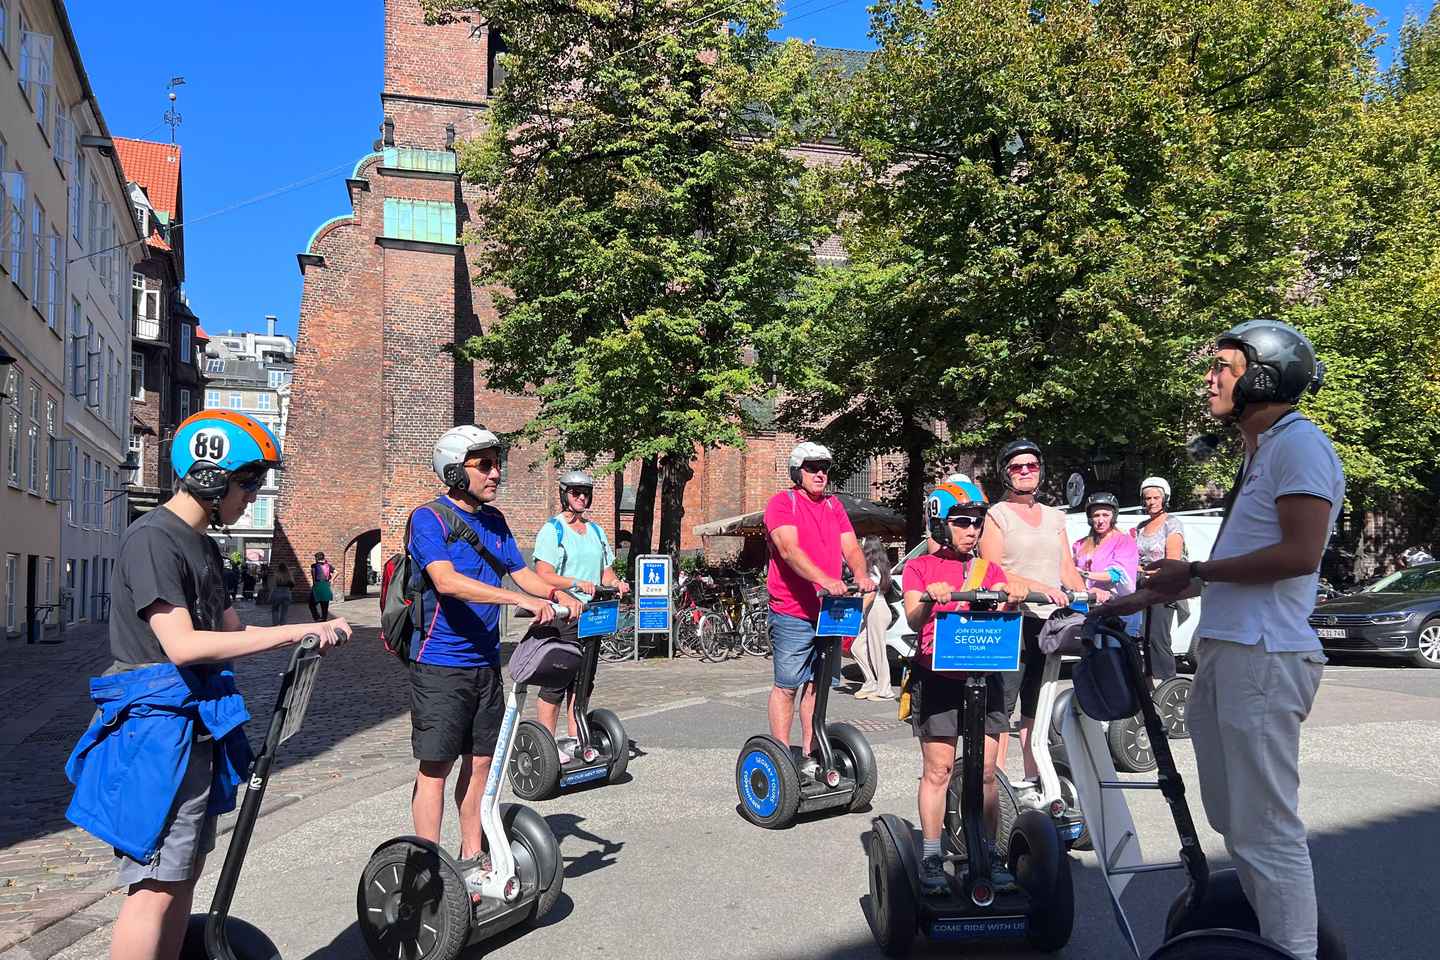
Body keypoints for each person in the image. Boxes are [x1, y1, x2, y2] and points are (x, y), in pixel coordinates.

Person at [64, 410, 350, 960]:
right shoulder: (153, 539)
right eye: (248, 484)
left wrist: (305, 634)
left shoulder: (204, 546)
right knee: (155, 884)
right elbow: (182, 644)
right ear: (209, 477)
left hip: (197, 726)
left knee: (185, 873)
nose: (253, 496)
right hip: (157, 731)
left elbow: (233, 633)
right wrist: (297, 629)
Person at [1102, 319, 1340, 960]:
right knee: (1235, 822)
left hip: (1264, 656)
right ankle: (1273, 941)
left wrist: (1199, 570)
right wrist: (1146, 595)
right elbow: (1238, 567)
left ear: (1263, 378)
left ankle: (1293, 953)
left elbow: (1300, 552)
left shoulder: (1300, 446)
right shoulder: (1260, 453)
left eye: (1223, 368)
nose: (1209, 379)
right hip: (1231, 651)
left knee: (1266, 828)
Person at [405, 425, 581, 897]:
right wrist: (517, 600)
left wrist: (563, 593)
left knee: (482, 761)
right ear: (453, 470)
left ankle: (471, 855)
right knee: (436, 767)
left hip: (485, 663)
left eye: (497, 464)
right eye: (484, 465)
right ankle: (429, 870)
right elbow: (446, 581)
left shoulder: (496, 522)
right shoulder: (428, 519)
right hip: (439, 662)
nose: (496, 473)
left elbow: (523, 575)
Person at [902, 479, 1022, 895]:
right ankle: (932, 855)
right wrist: (929, 598)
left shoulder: (990, 570)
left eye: (977, 522)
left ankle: (987, 852)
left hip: (985, 677)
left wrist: (1013, 596)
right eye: (962, 522)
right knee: (938, 770)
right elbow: (913, 618)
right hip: (938, 677)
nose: (972, 530)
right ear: (941, 524)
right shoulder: (920, 567)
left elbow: (1005, 609)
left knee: (986, 772)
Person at [977, 439, 1087, 785]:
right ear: (1005, 473)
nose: (1025, 471)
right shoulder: (997, 515)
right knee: (1002, 706)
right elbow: (993, 570)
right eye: (1017, 466)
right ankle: (994, 784)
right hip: (1012, 618)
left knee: (1036, 704)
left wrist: (1090, 592)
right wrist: (1040, 587)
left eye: (1032, 465)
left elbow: (1066, 568)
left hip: (1049, 622)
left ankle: (1033, 776)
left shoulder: (1055, 517)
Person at [763, 441, 875, 775]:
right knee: (787, 686)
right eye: (812, 468)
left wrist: (860, 574)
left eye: (824, 468)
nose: (820, 474)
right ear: (797, 472)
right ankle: (782, 758)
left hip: (829, 612)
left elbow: (850, 547)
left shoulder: (833, 506)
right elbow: (788, 550)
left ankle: (811, 755)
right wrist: (825, 579)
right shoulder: (783, 503)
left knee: (817, 685)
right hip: (792, 612)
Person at [531, 469, 631, 761]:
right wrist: (575, 583)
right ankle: (547, 746)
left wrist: (616, 583)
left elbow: (605, 572)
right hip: (564, 615)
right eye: (576, 493)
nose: (581, 498)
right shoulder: (553, 530)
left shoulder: (596, 531)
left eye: (586, 493)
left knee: (583, 681)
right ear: (565, 495)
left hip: (592, 615)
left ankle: (576, 739)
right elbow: (543, 574)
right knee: (557, 682)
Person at [1132, 476, 1186, 679]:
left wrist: (1149, 571)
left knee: (1158, 637)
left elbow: (1172, 560)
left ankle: (1168, 683)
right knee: (1142, 637)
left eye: (1156, 498)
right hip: (1143, 586)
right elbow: (1133, 557)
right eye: (1148, 498)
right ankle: (1147, 683)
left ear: (1165, 499)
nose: (1151, 502)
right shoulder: (1141, 526)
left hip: (1163, 587)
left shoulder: (1172, 524)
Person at [1072, 492, 1132, 627]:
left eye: (1105, 515)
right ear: (1090, 518)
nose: (1100, 520)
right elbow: (1070, 572)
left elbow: (1116, 575)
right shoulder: (1080, 544)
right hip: (1085, 607)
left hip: (1116, 610)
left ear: (1113, 517)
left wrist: (1084, 573)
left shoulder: (1124, 542)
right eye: (1096, 515)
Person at [851, 536, 895, 701]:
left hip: (876, 609)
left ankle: (885, 690)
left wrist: (857, 612)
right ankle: (871, 682)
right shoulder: (877, 568)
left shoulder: (873, 569)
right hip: (873, 610)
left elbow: (871, 594)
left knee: (878, 651)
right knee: (857, 648)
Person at [308, 552, 333, 621]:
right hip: (326, 585)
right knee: (324, 604)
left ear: (316, 558)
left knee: (311, 604)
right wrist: (332, 580)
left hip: (318, 585)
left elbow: (313, 574)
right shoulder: (328, 565)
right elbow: (336, 572)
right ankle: (324, 618)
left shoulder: (314, 566)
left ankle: (316, 617)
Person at [269, 562, 295, 626]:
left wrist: (270, 595)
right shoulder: (289, 574)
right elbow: (293, 584)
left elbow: (273, 586)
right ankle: (283, 624)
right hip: (287, 592)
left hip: (277, 592)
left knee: (275, 609)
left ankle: (275, 623)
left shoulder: (276, 574)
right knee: (284, 611)